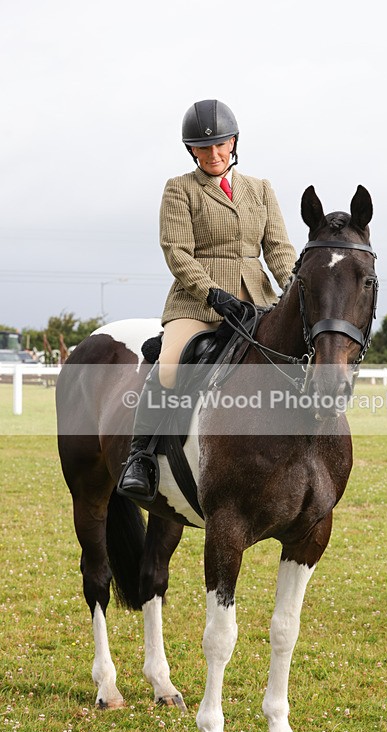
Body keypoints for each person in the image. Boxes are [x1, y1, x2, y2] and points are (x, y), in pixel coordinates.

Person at [120, 98, 297, 495]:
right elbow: (177, 251)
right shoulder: (180, 189)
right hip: (196, 303)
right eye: (204, 148)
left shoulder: (261, 189)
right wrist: (213, 294)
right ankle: (141, 457)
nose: (214, 154)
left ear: (233, 142)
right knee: (169, 365)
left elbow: (280, 250)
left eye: (221, 144)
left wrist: (294, 290)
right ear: (191, 150)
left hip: (255, 300)